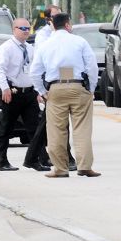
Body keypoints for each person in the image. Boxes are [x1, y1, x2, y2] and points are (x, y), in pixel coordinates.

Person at [30, 13, 100, 178]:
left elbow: (34, 72)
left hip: (55, 88)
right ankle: (84, 166)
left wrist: (42, 91)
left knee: (56, 130)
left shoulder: (45, 45)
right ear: (68, 25)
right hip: (78, 86)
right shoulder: (80, 41)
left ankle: (60, 168)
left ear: (53, 25)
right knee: (82, 128)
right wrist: (91, 89)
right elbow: (92, 66)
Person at [0, 18, 39, 172]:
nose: (26, 31)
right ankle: (2, 161)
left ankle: (35, 159)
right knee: (7, 128)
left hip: (28, 93)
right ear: (14, 29)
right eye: (22, 28)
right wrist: (5, 88)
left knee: (34, 128)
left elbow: (34, 71)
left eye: (28, 28)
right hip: (12, 92)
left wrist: (38, 90)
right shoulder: (7, 48)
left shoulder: (30, 48)